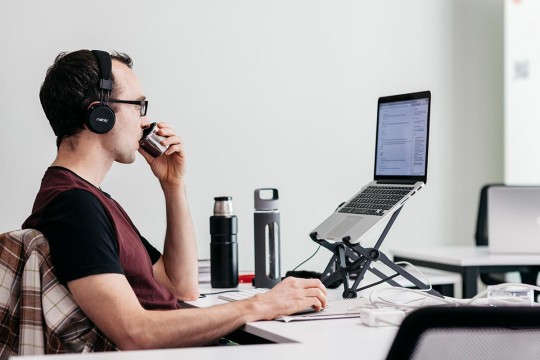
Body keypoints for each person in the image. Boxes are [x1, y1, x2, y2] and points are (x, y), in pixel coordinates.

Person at [22, 50, 327, 350]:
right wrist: (260, 305)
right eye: (138, 105)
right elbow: (135, 332)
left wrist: (173, 185)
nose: (145, 121)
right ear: (99, 115)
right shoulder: (74, 207)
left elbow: (181, 286)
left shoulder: (89, 199)